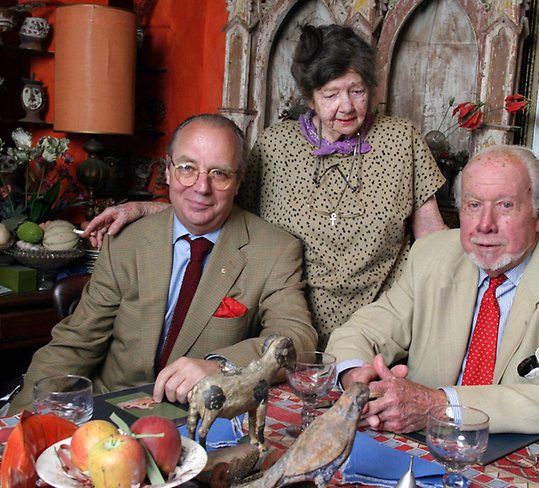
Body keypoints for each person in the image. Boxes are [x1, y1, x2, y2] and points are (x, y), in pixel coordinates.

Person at [82, 24, 448, 349]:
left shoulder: (402, 140)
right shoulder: (275, 146)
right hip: (285, 328)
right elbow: (222, 210)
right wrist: (144, 208)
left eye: (357, 91)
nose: (347, 107)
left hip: (382, 330)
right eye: (331, 94)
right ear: (308, 97)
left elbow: (432, 236)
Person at [325, 144, 539, 452]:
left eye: (505, 205)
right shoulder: (432, 255)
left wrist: (438, 404)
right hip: (432, 447)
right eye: (473, 205)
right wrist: (358, 380)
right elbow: (361, 332)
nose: (485, 225)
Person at [9, 114, 317, 414]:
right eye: (187, 168)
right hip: (111, 407)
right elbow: (75, 344)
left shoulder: (274, 250)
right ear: (167, 171)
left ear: (239, 182)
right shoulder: (126, 241)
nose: (201, 187)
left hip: (200, 419)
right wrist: (17, 423)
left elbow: (298, 340)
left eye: (219, 174)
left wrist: (222, 366)